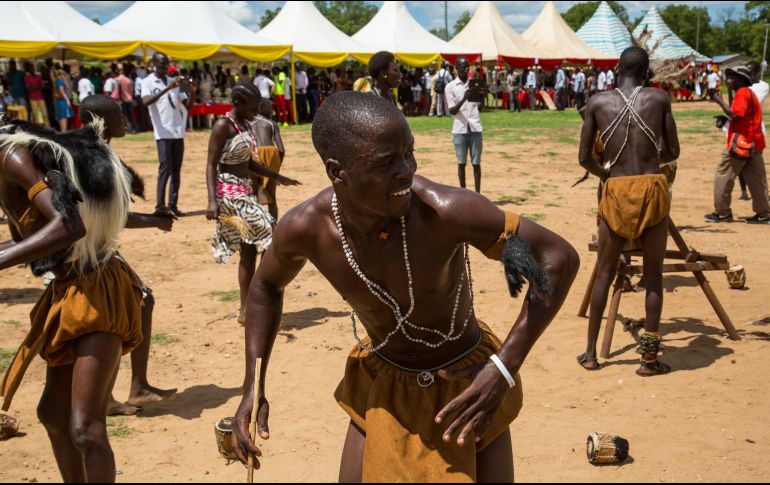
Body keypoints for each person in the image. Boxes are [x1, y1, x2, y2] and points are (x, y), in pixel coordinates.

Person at [228, 91, 579, 482]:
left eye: (409, 154)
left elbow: (558, 258)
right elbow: (264, 288)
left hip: (467, 388)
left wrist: (502, 367)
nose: (407, 171)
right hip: (382, 386)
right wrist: (253, 387)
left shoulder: (443, 212)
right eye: (386, 163)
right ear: (336, 171)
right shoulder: (307, 229)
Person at [0, 103, 143, 482]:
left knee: (84, 426)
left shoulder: (11, 157)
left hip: (98, 290)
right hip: (71, 288)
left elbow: (68, 225)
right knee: (53, 413)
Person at [577, 47, 680, 375]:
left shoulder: (596, 103)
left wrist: (607, 173)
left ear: (617, 68)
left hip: (616, 192)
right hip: (652, 189)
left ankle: (591, 354)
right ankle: (648, 360)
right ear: (647, 71)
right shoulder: (659, 99)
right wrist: (648, 163)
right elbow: (673, 150)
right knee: (653, 278)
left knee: (604, 274)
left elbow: (583, 159)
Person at [76, 95, 178, 415]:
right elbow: (113, 217)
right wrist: (156, 222)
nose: (124, 117)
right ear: (102, 121)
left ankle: (133, 388)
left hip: (96, 250)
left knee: (136, 304)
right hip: (89, 254)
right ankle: (126, 391)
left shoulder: (92, 152)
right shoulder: (94, 158)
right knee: (119, 316)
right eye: (118, 113)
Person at [205, 83, 300, 324]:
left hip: (245, 189)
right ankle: (259, 298)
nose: (256, 114)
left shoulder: (245, 124)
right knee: (270, 233)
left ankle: (247, 309)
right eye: (252, 108)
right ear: (237, 104)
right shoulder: (222, 126)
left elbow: (248, 164)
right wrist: (212, 201)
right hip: (229, 191)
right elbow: (211, 164)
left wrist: (277, 177)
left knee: (249, 250)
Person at [705, 66, 769, 224]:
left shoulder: (742, 93)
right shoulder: (749, 93)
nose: (728, 80)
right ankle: (764, 213)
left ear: (740, 80)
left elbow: (736, 115)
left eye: (731, 78)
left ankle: (722, 213)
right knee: (757, 180)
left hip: (741, 144)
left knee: (723, 174)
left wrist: (718, 99)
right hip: (755, 143)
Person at [141, 53, 190, 217]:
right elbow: (146, 102)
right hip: (162, 132)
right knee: (165, 168)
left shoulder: (172, 81)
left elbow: (186, 102)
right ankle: (160, 205)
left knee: (176, 170)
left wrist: (188, 87)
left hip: (177, 132)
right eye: (161, 63)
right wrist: (167, 89)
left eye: (166, 63)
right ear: (154, 63)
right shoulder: (147, 81)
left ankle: (173, 205)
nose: (164, 66)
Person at [446, 57, 485, 194]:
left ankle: (478, 194)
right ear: (456, 68)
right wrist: (464, 98)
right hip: (460, 129)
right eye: (463, 67)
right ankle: (463, 194)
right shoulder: (450, 87)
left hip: (475, 127)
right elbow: (452, 110)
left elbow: (479, 109)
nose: (466, 70)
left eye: (468, 67)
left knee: (476, 163)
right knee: (461, 163)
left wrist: (482, 97)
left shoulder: (474, 84)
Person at [24, 62, 48, 126]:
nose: (32, 70)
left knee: (44, 113)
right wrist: (37, 86)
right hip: (32, 98)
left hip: (40, 97)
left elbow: (43, 86)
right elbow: (28, 88)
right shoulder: (27, 77)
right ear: (29, 70)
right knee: (36, 115)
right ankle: (39, 129)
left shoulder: (38, 76)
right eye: (31, 69)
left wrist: (33, 87)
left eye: (33, 68)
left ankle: (48, 127)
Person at [116, 64, 137, 133]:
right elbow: (131, 92)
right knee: (132, 116)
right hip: (129, 99)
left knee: (123, 116)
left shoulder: (117, 79)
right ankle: (134, 129)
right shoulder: (129, 80)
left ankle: (124, 129)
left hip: (122, 100)